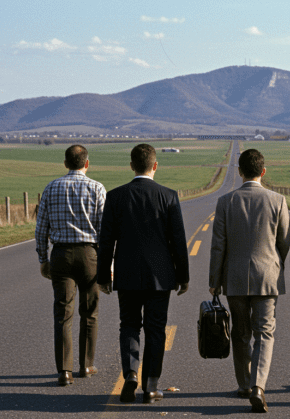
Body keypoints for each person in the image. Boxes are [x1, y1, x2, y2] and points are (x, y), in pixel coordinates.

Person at [97, 144, 190, 404]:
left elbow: (106, 242)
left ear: (131, 166)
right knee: (156, 329)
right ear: (155, 165)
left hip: (126, 275)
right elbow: (178, 241)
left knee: (128, 326)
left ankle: (130, 375)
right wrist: (183, 276)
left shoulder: (115, 197)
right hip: (160, 277)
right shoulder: (168, 196)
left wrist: (103, 276)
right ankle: (151, 386)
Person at [209, 149, 290, 413]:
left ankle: (244, 384)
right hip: (267, 276)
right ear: (263, 171)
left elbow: (218, 246)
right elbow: (285, 241)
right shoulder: (277, 200)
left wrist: (214, 280)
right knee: (265, 332)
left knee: (240, 333)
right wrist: (277, 265)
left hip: (234, 277)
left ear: (239, 172)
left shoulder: (225, 201)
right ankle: (258, 385)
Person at [35, 144, 107, 387]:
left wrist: (43, 259)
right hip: (90, 255)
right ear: (86, 164)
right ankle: (86, 366)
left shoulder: (51, 187)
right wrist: (109, 263)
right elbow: (105, 231)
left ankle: (64, 371)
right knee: (90, 312)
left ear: (65, 163)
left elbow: (41, 229)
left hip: (61, 255)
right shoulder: (97, 188)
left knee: (63, 314)